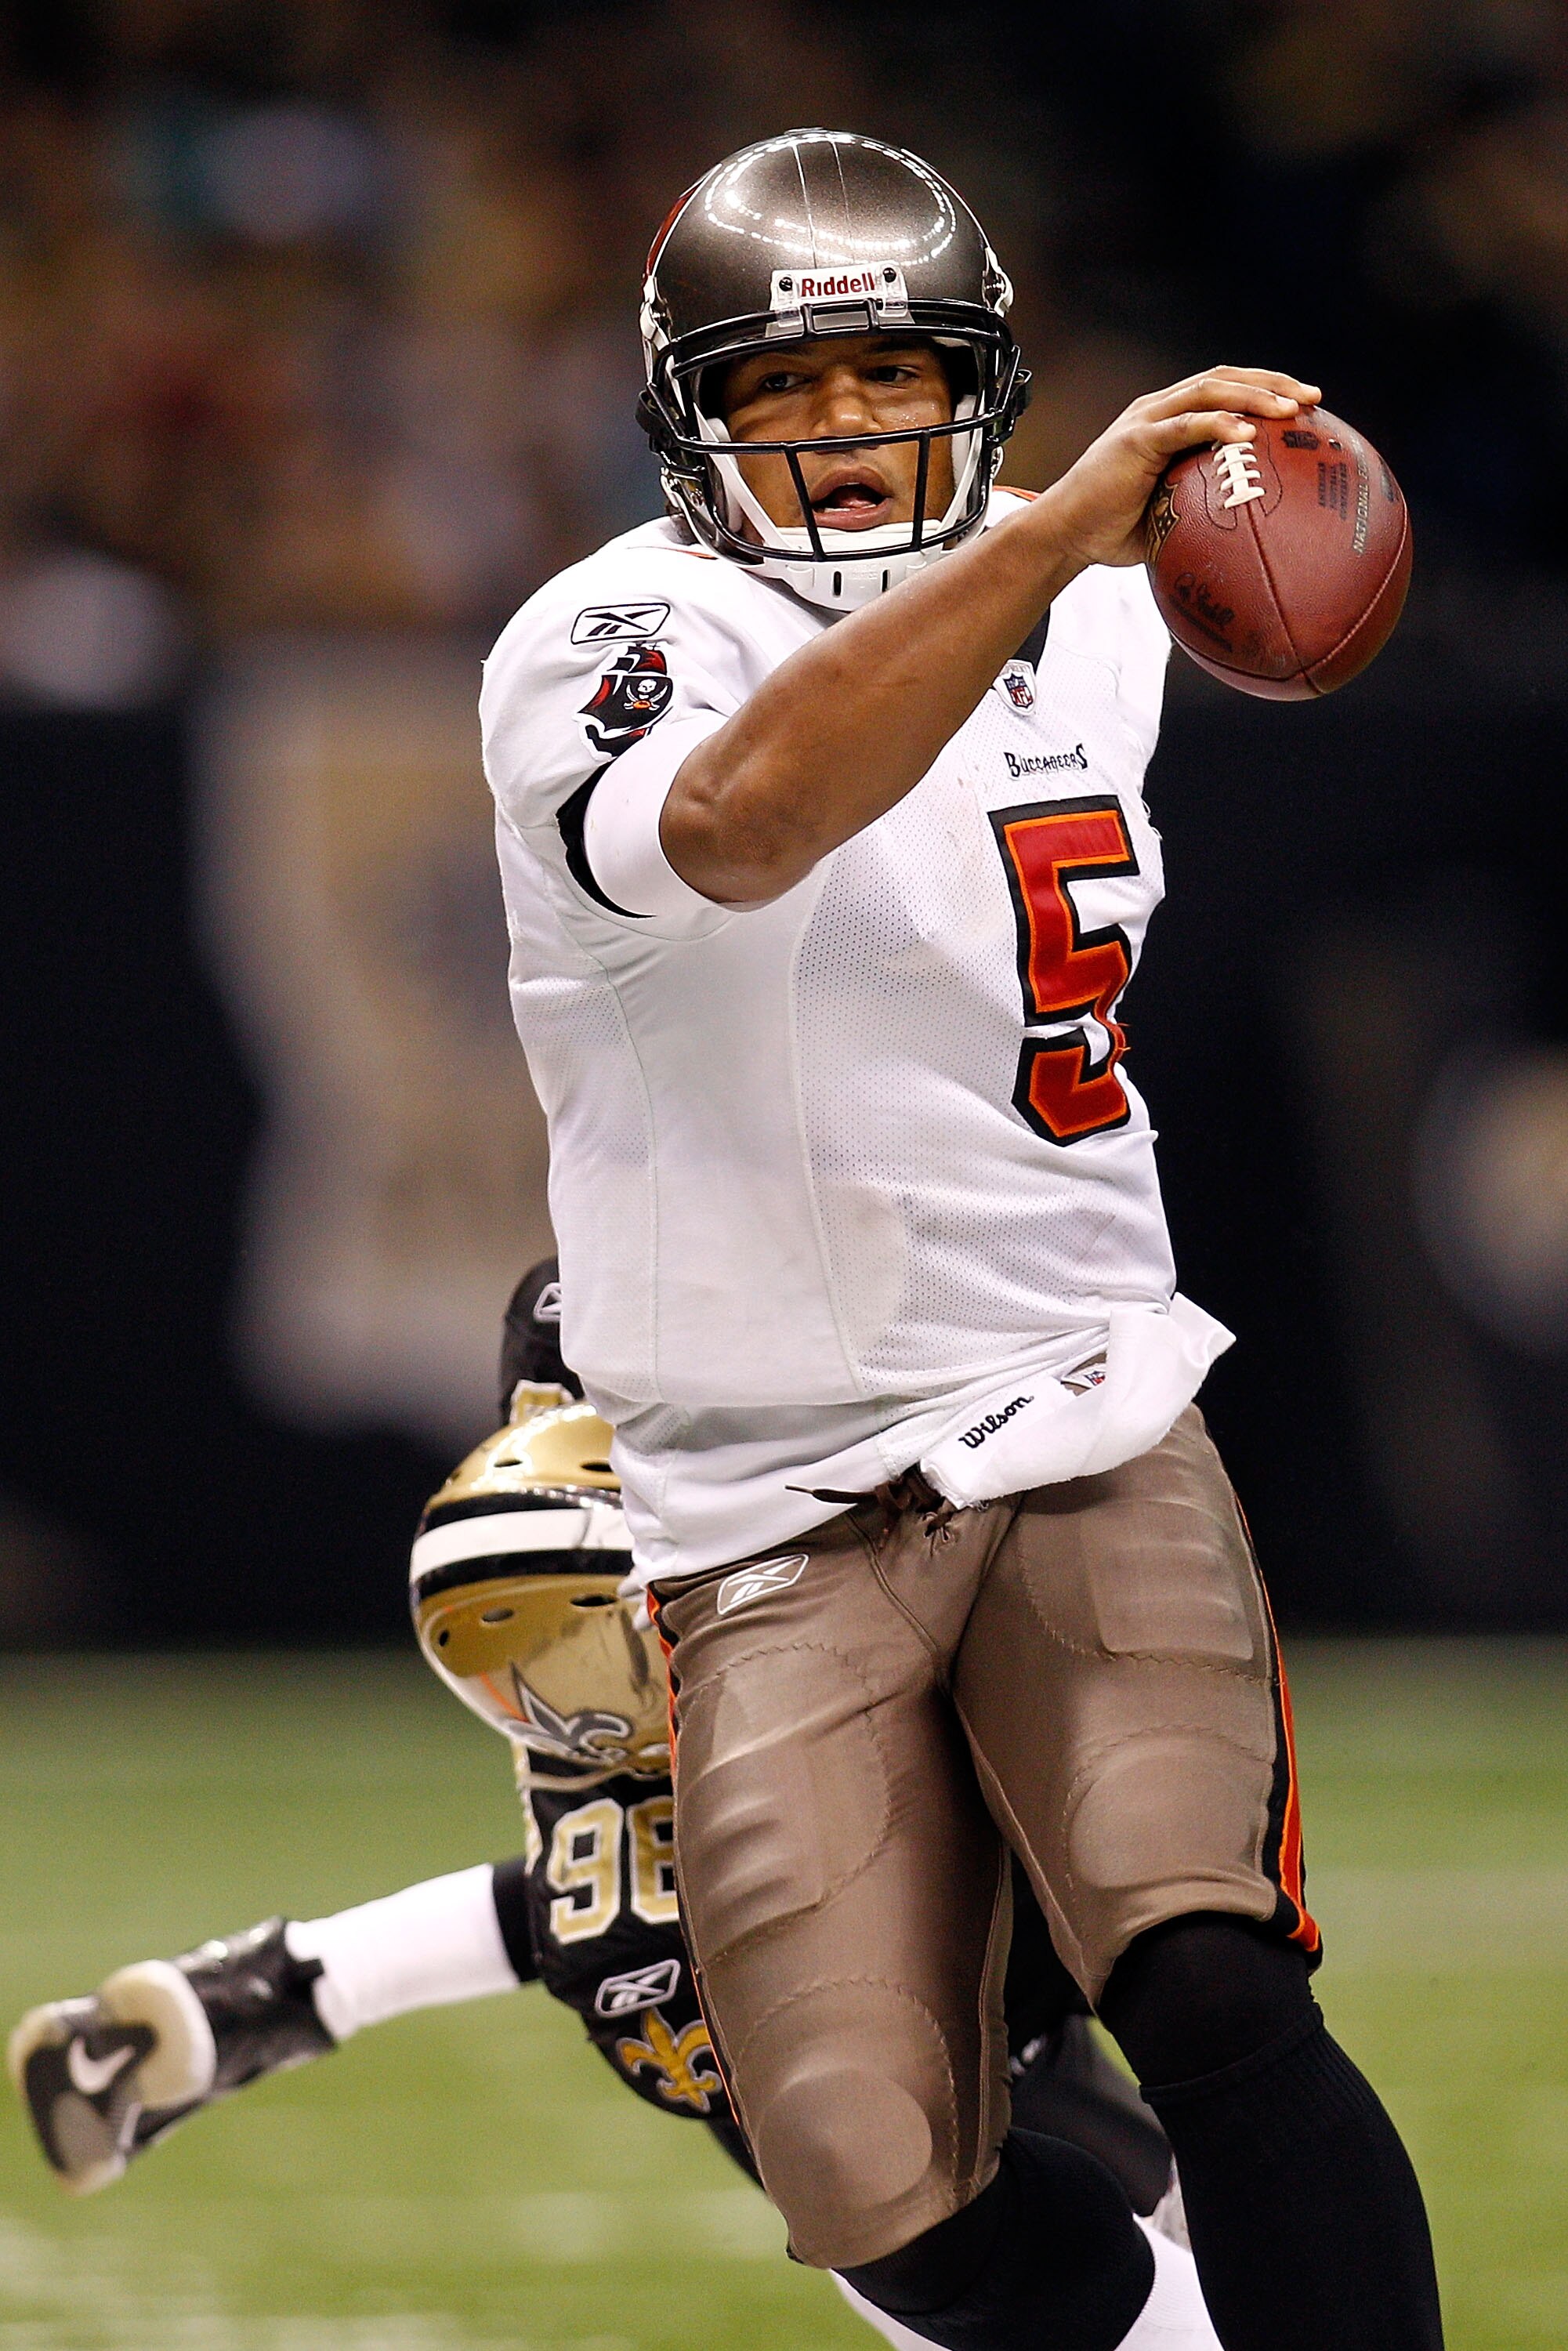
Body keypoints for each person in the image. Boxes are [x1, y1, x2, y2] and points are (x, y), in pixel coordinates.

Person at [477, 129, 1444, 2351]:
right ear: (684, 422)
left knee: (1200, 1964)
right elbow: (735, 826)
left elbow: (1263, 580)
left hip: (1072, 1398)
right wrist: (1045, 551)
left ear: (978, 379)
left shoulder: (1104, 595)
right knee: (872, 2178)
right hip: (755, 1488)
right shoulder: (601, 638)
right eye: (781, 393)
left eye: (892, 374)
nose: (845, 431)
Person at [9, 1266, 1204, 2347]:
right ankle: (269, 1993)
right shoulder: (677, 1736)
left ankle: (266, 1991)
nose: (564, 1717)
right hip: (919, 2083)